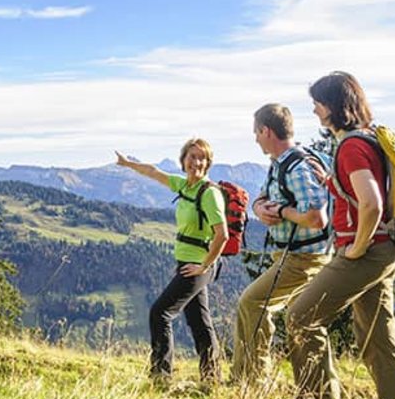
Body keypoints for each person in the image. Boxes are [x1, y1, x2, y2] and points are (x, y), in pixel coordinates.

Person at [287, 71, 395, 399]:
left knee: (300, 317)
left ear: (335, 106)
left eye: (318, 104)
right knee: (378, 334)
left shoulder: (352, 146)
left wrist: (356, 247)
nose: (314, 111)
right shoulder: (367, 138)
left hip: (366, 252)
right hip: (387, 248)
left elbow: (371, 203)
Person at [231, 104, 331, 384]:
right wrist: (260, 207)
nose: (255, 139)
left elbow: (316, 217)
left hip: (303, 258)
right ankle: (319, 394)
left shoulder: (297, 167)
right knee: (307, 323)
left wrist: (282, 212)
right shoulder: (281, 164)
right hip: (292, 256)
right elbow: (263, 197)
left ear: (266, 130)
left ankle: (250, 380)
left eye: (256, 132)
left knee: (252, 303)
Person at [116, 138, 228, 384]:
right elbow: (154, 173)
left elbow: (222, 235)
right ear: (183, 159)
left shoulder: (209, 193)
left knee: (160, 313)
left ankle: (161, 376)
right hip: (188, 263)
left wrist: (204, 266)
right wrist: (127, 164)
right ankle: (212, 379)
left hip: (198, 266)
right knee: (199, 321)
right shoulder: (184, 186)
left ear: (208, 163)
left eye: (202, 158)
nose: (196, 162)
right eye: (191, 156)